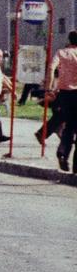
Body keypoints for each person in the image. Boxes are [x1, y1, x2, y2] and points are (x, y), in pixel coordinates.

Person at [49, 30, 77, 172]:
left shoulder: (61, 53)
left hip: (64, 94)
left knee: (69, 126)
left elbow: (51, 67)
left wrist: (50, 88)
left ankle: (62, 153)